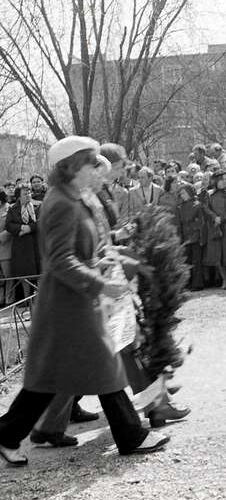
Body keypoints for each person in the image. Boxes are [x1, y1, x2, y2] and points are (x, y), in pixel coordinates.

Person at [0, 136, 169, 466]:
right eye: (91, 162)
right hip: (68, 303)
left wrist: (99, 262)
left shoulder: (75, 198)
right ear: (74, 166)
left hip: (74, 299)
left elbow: (80, 251)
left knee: (51, 377)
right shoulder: (60, 203)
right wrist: (101, 285)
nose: (97, 169)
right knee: (102, 364)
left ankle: (6, 433)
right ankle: (131, 435)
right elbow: (61, 260)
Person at [202, 169, 226, 288]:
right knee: (217, 255)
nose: (225, 181)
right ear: (216, 180)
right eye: (222, 179)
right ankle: (224, 279)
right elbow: (206, 208)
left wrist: (222, 218)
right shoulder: (209, 194)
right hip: (215, 227)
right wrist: (214, 217)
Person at [5, 183, 40, 300]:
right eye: (25, 194)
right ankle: (26, 301)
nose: (28, 195)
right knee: (24, 275)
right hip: (21, 247)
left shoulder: (37, 207)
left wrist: (30, 228)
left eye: (29, 192)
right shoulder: (13, 209)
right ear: (19, 196)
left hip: (35, 244)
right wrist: (20, 228)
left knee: (38, 273)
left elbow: (42, 222)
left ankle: (39, 302)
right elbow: (9, 225)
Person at [177, 184, 205, 291]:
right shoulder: (180, 207)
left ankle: (197, 284)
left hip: (195, 236)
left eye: (184, 193)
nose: (182, 195)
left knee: (196, 260)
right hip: (185, 237)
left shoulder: (197, 205)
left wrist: (195, 229)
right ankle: (188, 284)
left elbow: (201, 221)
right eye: (181, 193)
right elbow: (180, 223)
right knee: (187, 261)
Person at [0, 189, 13, 306]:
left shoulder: (10, 209)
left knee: (8, 276)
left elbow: (11, 227)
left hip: (6, 247)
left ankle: (9, 300)